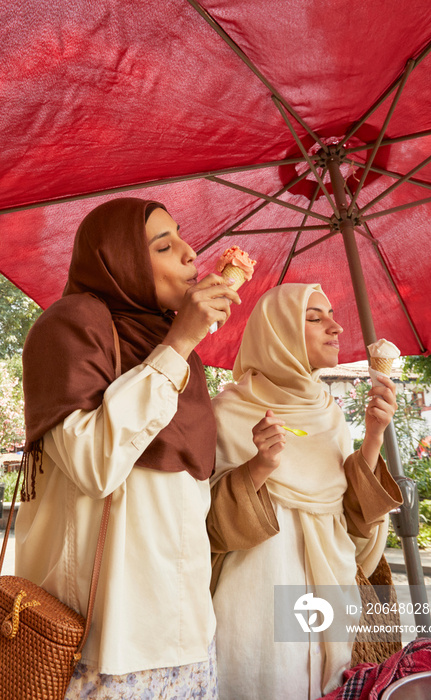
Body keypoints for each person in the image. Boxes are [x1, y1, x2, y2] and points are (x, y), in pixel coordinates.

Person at [16, 197, 240, 699]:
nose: (189, 253)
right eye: (164, 245)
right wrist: (178, 345)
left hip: (186, 631)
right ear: (119, 262)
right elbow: (94, 465)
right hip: (107, 641)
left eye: (182, 238)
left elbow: (188, 490)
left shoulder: (179, 353)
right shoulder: (71, 326)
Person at [207, 282, 403, 700]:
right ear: (277, 336)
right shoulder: (226, 412)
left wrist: (373, 436)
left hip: (331, 600)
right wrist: (258, 467)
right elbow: (205, 528)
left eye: (331, 315)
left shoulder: (329, 414)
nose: (335, 327)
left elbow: (351, 521)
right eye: (314, 318)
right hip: (255, 609)